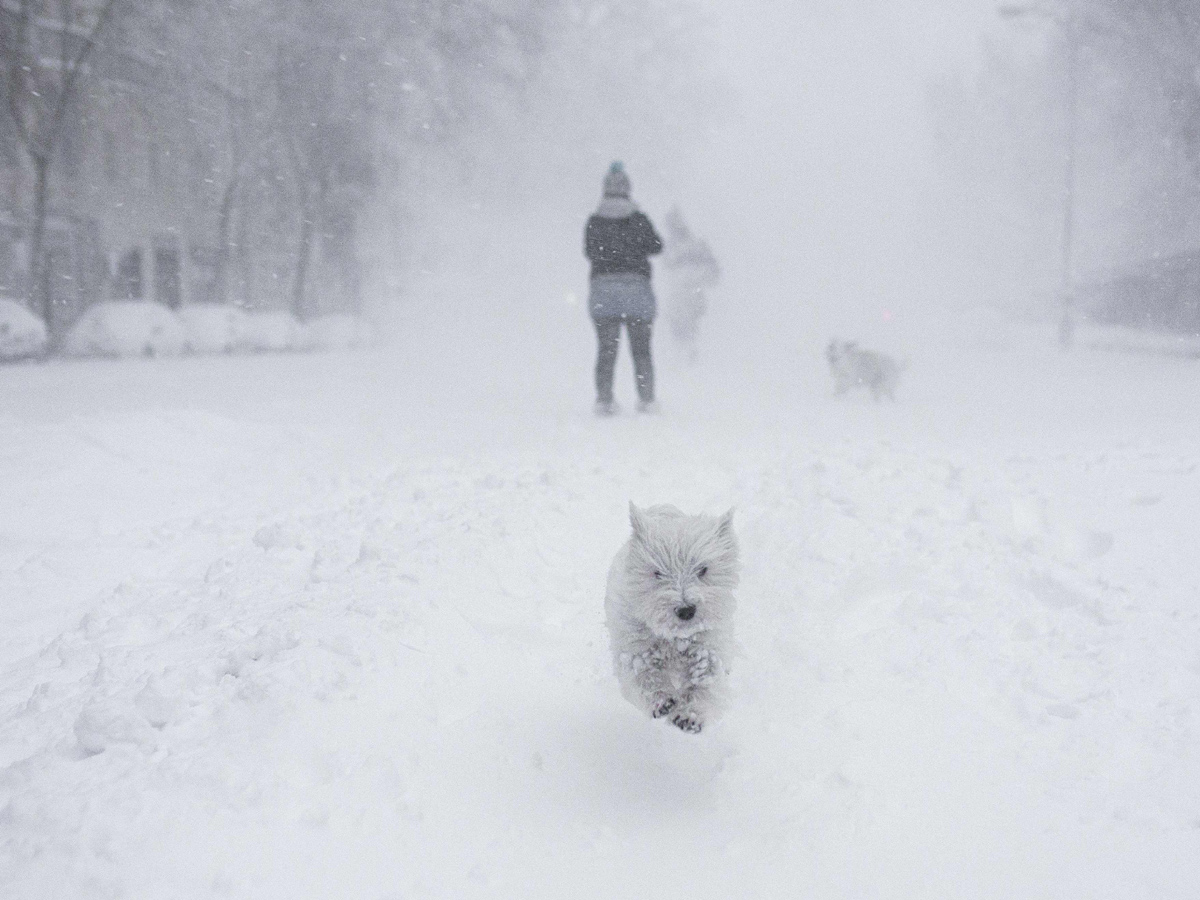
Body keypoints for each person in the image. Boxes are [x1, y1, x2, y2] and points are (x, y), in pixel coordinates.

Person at [584, 162, 663, 416]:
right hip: (636, 291)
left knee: (606, 350)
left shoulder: (595, 220)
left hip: (603, 292)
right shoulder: (638, 219)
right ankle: (647, 399)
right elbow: (656, 246)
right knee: (641, 350)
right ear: (628, 189)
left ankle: (604, 400)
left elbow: (589, 252)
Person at [662, 207, 720, 363]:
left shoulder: (676, 247)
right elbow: (713, 272)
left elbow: (713, 271)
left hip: (684, 294)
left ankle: (685, 359)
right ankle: (687, 358)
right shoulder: (695, 244)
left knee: (683, 329)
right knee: (687, 329)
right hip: (690, 294)